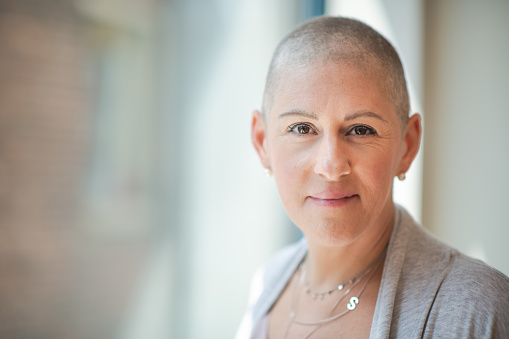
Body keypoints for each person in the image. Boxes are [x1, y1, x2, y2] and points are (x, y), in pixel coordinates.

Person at [235, 16, 509, 339]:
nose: (331, 165)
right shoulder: (267, 284)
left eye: (361, 130)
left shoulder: (474, 307)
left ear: (407, 146)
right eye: (302, 128)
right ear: (262, 141)